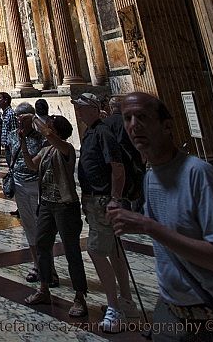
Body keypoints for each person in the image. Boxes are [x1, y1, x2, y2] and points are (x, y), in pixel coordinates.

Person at [109, 93, 213, 333]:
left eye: (142, 117)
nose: (134, 125)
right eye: (128, 118)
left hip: (210, 317)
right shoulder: (151, 177)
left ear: (166, 126)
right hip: (169, 312)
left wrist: (148, 226)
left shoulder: (199, 174)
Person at [75, 91, 137, 332]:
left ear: (93, 108)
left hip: (103, 201)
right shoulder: (91, 131)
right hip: (96, 200)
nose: (78, 111)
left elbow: (117, 168)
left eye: (81, 107)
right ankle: (126, 302)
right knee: (114, 250)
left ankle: (114, 308)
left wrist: (114, 198)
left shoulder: (102, 132)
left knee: (96, 251)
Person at [21, 113, 89, 319]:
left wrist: (34, 118)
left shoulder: (65, 149)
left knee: (72, 251)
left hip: (65, 206)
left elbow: (48, 134)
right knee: (42, 245)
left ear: (56, 129)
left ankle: (79, 296)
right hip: (47, 205)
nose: (47, 128)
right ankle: (43, 288)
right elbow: (32, 166)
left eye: (50, 125)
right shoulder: (46, 150)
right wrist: (22, 142)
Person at [7, 102, 49, 283]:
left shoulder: (42, 137)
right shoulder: (11, 136)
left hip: (38, 184)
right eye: (16, 116)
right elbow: (10, 157)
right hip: (19, 184)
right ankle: (36, 265)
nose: (18, 120)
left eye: (22, 116)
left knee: (43, 228)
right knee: (29, 226)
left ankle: (49, 268)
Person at [0, 92, 17, 163]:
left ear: (6, 100)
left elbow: (14, 131)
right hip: (7, 145)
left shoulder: (10, 114)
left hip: (11, 145)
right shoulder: (3, 113)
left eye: (0, 98)